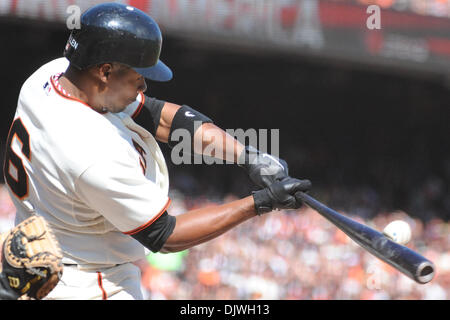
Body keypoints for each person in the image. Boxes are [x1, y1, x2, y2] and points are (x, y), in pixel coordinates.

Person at [3, 2, 311, 300]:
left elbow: (160, 117)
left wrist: (247, 156)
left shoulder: (52, 75)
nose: (144, 87)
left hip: (40, 259)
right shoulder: (90, 151)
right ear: (105, 71)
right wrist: (260, 203)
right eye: (137, 79)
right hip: (87, 283)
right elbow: (166, 235)